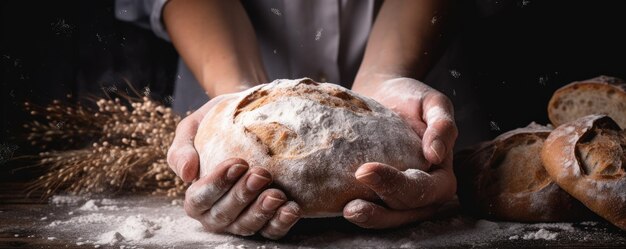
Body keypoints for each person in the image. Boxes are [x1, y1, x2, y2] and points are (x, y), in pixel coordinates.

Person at [116, 0, 459, 239]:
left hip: (413, 93)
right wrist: (236, 100)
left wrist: (386, 75)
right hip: (221, 71)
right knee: (231, 178)